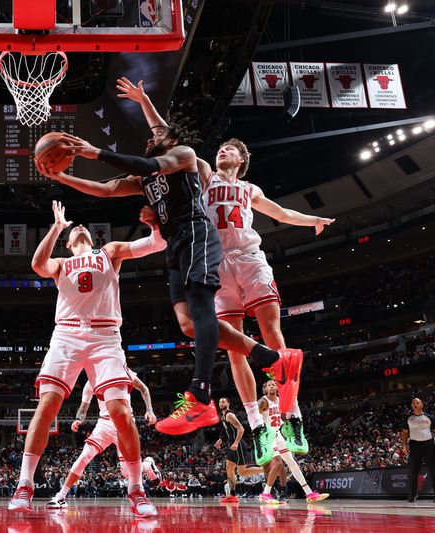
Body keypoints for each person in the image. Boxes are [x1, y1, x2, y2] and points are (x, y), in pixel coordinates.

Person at [39, 123, 303, 449]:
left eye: (155, 136)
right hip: (175, 245)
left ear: (172, 140)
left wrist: (95, 152)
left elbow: (151, 163)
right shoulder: (144, 181)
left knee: (202, 309)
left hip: (197, 235)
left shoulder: (181, 156)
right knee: (188, 324)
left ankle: (201, 396)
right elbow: (104, 190)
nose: (149, 139)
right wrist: (60, 177)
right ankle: (273, 358)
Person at [116, 77, 332, 456]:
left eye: (230, 149)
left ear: (241, 161)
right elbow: (165, 136)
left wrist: (310, 221)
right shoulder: (201, 172)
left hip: (248, 258)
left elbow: (280, 213)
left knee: (271, 333)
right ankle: (257, 425)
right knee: (234, 347)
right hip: (213, 260)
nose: (223, 151)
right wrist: (144, 101)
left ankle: (292, 416)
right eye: (221, 148)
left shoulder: (251, 190)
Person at [8, 201, 166, 517]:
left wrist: (157, 225)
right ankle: (25, 484)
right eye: (73, 230)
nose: (80, 226)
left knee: (121, 411)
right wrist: (56, 227)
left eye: (83, 228)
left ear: (91, 239)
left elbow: (156, 244)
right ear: (68, 243)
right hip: (66, 335)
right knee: (48, 404)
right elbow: (38, 264)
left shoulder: (110, 252)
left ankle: (135, 488)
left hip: (105, 337)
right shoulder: (62, 264)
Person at [46, 369, 161, 509]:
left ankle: (147, 465)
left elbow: (143, 388)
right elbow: (83, 408)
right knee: (84, 457)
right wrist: (78, 420)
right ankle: (61, 496)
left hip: (124, 422)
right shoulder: (91, 382)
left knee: (126, 472)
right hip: (104, 424)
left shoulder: (121, 368)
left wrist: (149, 410)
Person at [257, 381, 328, 504]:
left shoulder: (280, 401)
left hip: (278, 434)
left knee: (292, 463)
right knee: (278, 464)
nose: (272, 386)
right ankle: (265, 493)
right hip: (267, 435)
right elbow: (253, 416)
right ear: (265, 390)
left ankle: (309, 493)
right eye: (269, 385)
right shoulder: (263, 401)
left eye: (274, 384)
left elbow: (283, 417)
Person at [215, 397, 263, 503]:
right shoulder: (223, 417)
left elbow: (241, 428)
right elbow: (227, 432)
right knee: (229, 468)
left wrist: (236, 442)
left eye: (223, 401)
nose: (221, 403)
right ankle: (232, 495)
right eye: (219, 402)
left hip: (238, 445)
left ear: (228, 403)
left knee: (242, 472)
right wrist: (220, 440)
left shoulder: (230, 415)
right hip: (232, 445)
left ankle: (265, 470)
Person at [400, 397, 435, 502]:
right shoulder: (408, 418)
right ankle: (413, 495)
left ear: (422, 405)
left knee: (433, 470)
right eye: (413, 403)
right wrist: (405, 446)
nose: (415, 404)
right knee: (413, 471)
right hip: (414, 446)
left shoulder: (429, 417)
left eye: (417, 402)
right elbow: (405, 433)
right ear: (411, 406)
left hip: (429, 446)